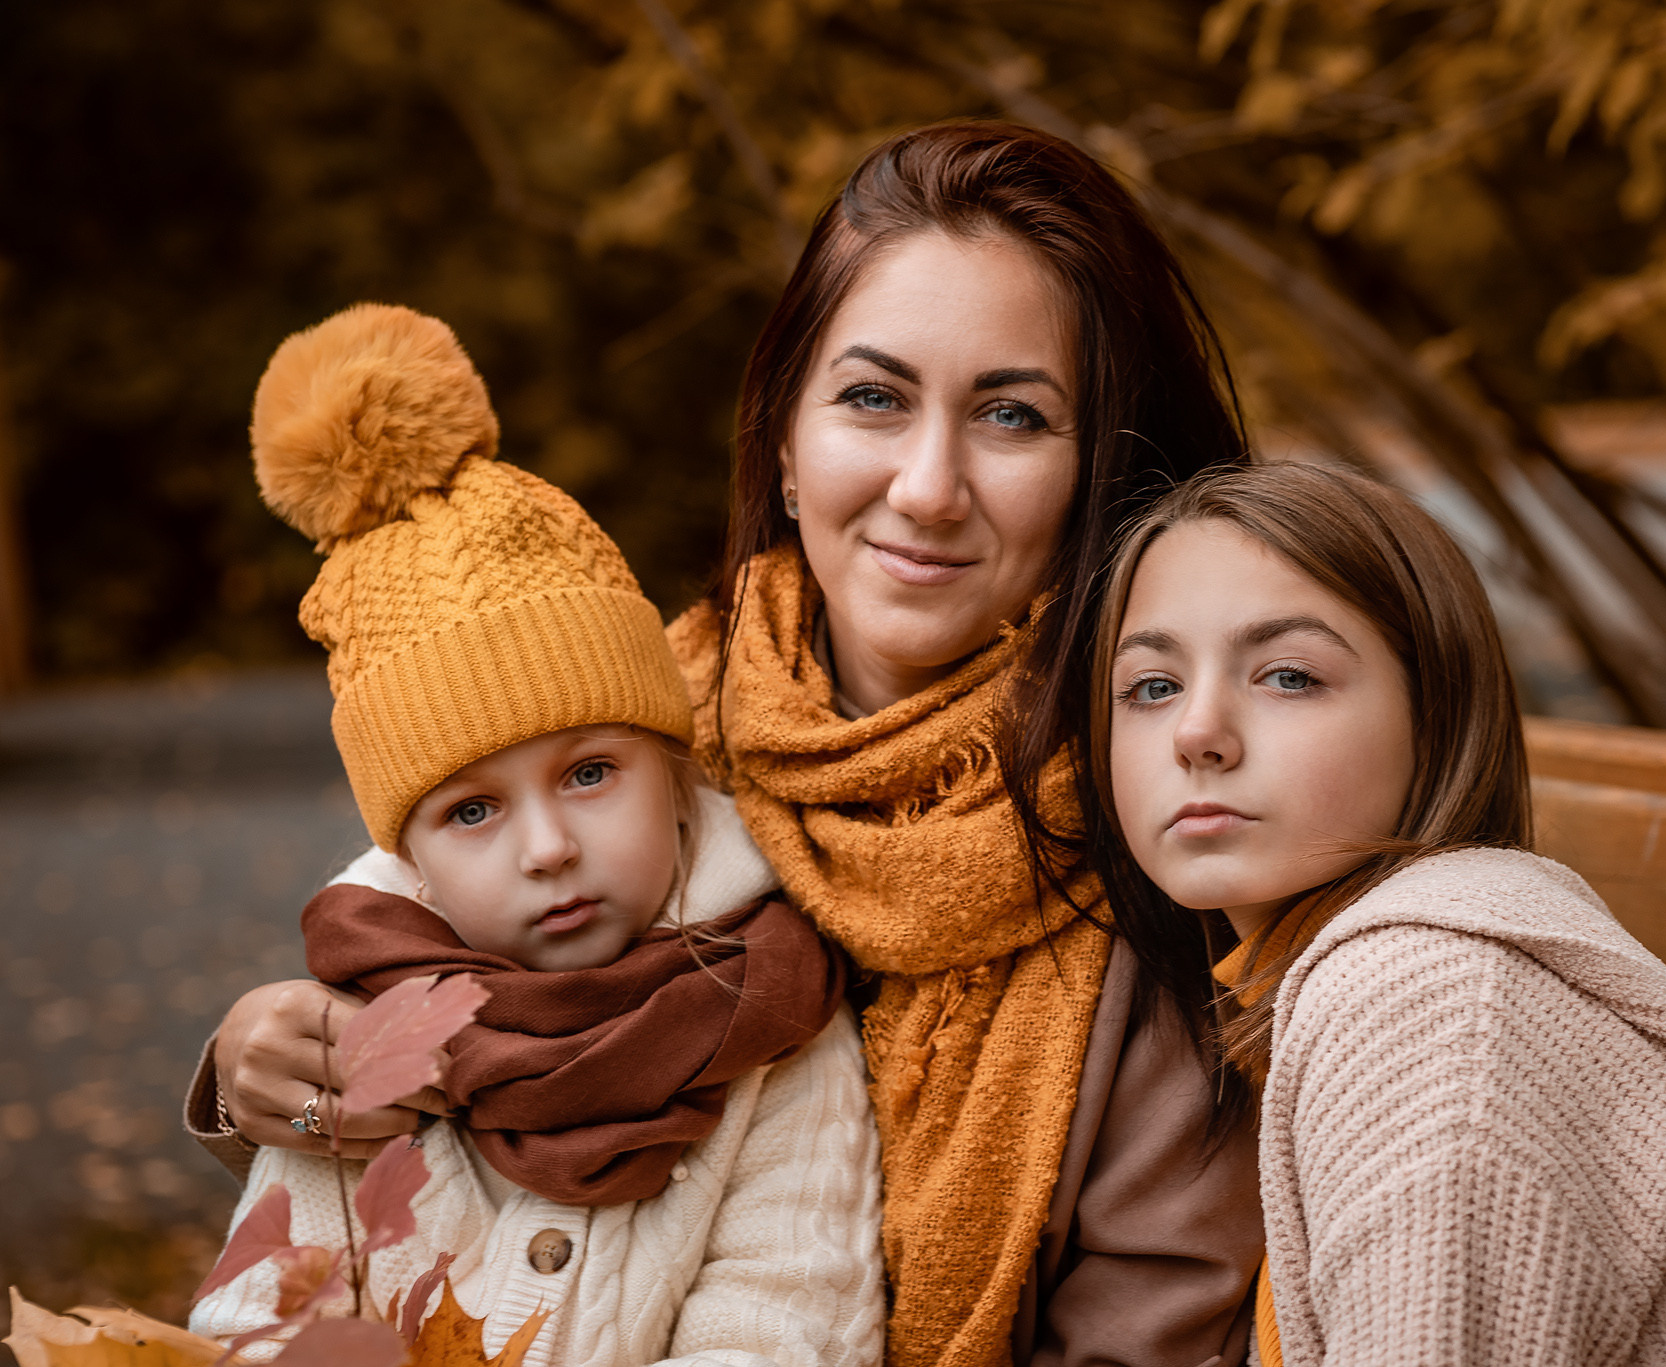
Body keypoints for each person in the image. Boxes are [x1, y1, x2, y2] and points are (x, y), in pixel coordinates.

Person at [191, 123, 1266, 1366]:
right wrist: (266, 1061)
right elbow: (418, 942)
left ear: (1100, 474)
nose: (925, 485)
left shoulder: (1157, 829)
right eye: (872, 397)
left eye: (1012, 415)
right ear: (787, 443)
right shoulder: (638, 721)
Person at [1084, 462, 1666, 1366]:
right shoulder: (1341, 969)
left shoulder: (1427, 999)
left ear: (1436, 717)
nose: (1195, 731)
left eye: (1288, 675)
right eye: (1152, 686)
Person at [189, 303, 883, 1366]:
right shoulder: (368, 1029)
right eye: (473, 809)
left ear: (674, 766)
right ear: (412, 853)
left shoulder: (773, 1020)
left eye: (591, 772)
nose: (548, 845)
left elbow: (780, 1322)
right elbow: (258, 1318)